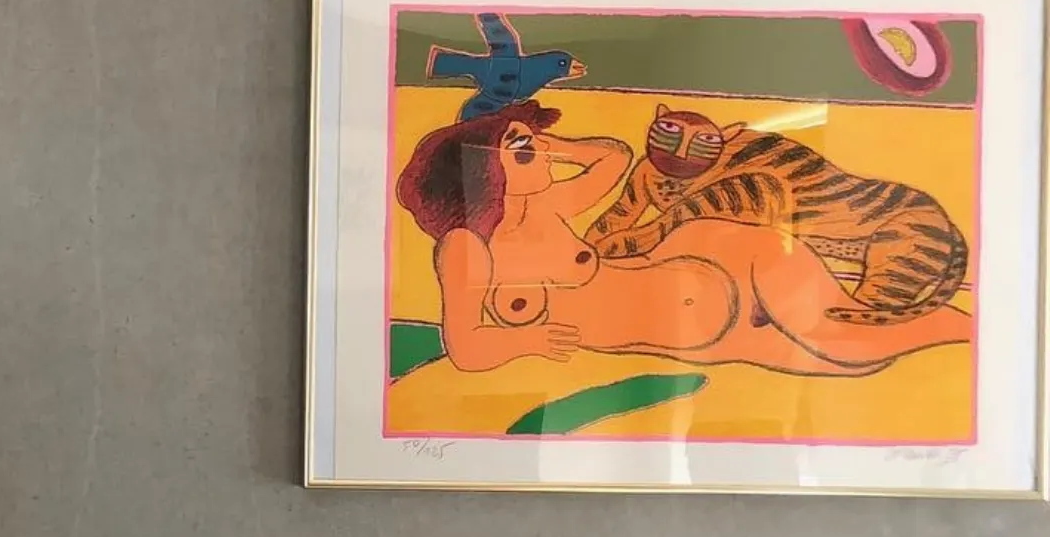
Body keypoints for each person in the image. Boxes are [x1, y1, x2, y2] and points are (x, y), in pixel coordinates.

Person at [395, 102, 972, 376]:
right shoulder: (468, 249)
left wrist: (550, 146)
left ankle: (993, 334)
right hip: (716, 331)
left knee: (852, 337)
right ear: (480, 173)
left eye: (536, 141)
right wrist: (531, 340)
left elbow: (613, 157)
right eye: (524, 149)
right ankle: (991, 335)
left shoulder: (547, 205)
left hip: (726, 263)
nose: (543, 152)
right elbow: (467, 349)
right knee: (856, 360)